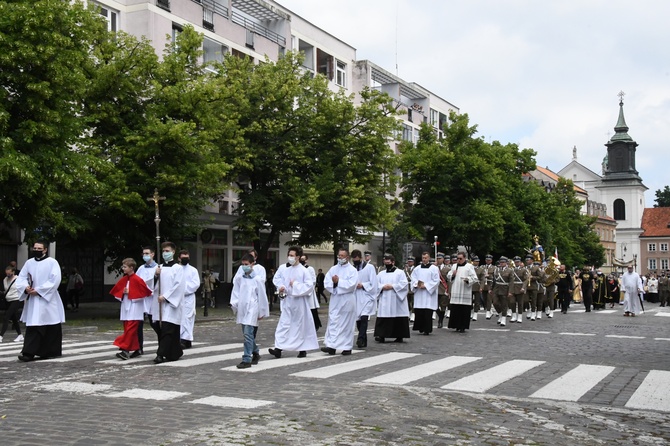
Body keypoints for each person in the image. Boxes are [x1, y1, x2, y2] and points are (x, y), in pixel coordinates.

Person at [15, 241, 66, 361]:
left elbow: (55, 279)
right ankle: (28, 352)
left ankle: (49, 351)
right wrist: (26, 288)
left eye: (39, 248)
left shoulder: (52, 262)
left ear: (45, 250)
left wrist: (39, 290)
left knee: (50, 324)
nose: (36, 250)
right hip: (33, 299)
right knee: (34, 325)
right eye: (35, 248)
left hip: (48, 299)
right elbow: (21, 278)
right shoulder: (29, 263)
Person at [269, 246, 318, 358]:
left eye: (292, 255)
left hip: (299, 303)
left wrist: (295, 285)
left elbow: (309, 286)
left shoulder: (304, 271)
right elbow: (278, 280)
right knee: (284, 324)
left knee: (299, 326)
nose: (290, 257)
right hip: (288, 301)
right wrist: (281, 287)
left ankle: (302, 349)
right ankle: (278, 348)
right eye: (289, 255)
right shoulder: (285, 269)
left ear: (298, 257)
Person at [230, 253, 269, 369]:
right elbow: (235, 292)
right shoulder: (239, 278)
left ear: (252, 264)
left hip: (253, 307)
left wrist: (261, 311)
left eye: (246, 264)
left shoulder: (257, 279)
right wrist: (234, 304)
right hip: (243, 307)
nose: (244, 266)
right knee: (247, 334)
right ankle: (255, 351)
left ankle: (246, 358)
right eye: (242, 264)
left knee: (248, 333)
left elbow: (262, 295)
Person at [110, 258, 152, 360]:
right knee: (128, 329)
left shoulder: (138, 279)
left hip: (135, 308)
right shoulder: (124, 279)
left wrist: (131, 293)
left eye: (125, 267)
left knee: (130, 330)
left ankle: (125, 349)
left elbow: (145, 293)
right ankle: (137, 348)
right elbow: (117, 292)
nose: (123, 268)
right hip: (126, 307)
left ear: (131, 268)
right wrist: (123, 293)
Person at [151, 241, 185, 364]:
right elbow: (152, 285)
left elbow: (178, 286)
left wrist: (165, 296)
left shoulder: (178, 268)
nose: (165, 253)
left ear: (173, 252)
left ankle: (160, 355)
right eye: (164, 251)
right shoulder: (159, 267)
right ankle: (174, 352)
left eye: (167, 251)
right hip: (159, 304)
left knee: (168, 329)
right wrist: (155, 275)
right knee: (161, 328)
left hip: (170, 304)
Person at [322, 248, 358, 355]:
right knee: (333, 321)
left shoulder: (352, 270)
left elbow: (352, 284)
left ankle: (346, 347)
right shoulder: (333, 269)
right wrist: (333, 284)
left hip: (347, 299)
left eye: (342, 256)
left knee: (346, 323)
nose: (340, 257)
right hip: (336, 298)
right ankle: (331, 345)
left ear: (347, 257)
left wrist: (339, 282)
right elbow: (327, 281)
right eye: (339, 255)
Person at [374, 254, 410, 343]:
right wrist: (382, 287)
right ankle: (381, 335)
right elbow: (376, 285)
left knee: (398, 316)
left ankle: (399, 335)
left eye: (388, 263)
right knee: (383, 316)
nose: (387, 265)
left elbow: (404, 284)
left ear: (393, 262)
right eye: (385, 263)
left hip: (396, 299)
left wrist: (393, 286)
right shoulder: (381, 274)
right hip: (385, 298)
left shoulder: (400, 272)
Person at [351, 249, 378, 348]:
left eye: (357, 259)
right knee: (358, 319)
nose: (355, 262)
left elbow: (373, 283)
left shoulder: (369, 268)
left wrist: (363, 285)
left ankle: (360, 338)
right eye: (354, 260)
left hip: (367, 295)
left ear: (361, 258)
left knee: (364, 317)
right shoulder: (353, 269)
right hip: (356, 296)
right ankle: (363, 340)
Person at [447, 252, 479, 332]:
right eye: (457, 258)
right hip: (456, 290)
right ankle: (456, 325)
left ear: (465, 258)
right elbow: (448, 276)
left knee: (464, 310)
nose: (458, 260)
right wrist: (453, 275)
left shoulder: (469, 266)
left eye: (460, 258)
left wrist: (468, 279)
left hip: (465, 290)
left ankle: (463, 326)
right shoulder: (454, 266)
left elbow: (474, 278)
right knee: (455, 309)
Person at [136, 246, 158, 356]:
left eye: (147, 253)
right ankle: (139, 348)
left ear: (152, 254)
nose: (145, 255)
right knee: (138, 324)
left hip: (152, 298)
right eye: (143, 254)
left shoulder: (157, 268)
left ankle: (162, 345)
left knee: (154, 323)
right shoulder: (141, 268)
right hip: (142, 299)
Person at [410, 252, 439, 335]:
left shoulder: (434, 268)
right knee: (419, 311)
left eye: (426, 258)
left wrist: (426, 285)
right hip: (419, 293)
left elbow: (436, 281)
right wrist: (417, 284)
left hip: (428, 293)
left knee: (427, 312)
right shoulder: (417, 268)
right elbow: (413, 278)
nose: (424, 259)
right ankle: (420, 327)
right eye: (423, 258)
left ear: (429, 258)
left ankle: (427, 329)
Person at [179, 250, 200, 349]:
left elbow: (195, 284)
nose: (185, 260)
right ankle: (182, 338)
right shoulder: (176, 269)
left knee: (188, 318)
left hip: (188, 297)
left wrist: (184, 289)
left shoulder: (193, 270)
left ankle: (186, 339)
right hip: (177, 298)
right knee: (179, 318)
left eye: (187, 258)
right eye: (183, 258)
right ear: (179, 258)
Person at [1, 266, 23, 343]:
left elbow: (22, 288)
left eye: (9, 273)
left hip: (15, 300)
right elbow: (6, 290)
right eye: (7, 273)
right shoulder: (5, 280)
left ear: (13, 272)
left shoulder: (18, 279)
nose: (8, 275)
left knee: (6, 316)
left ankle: (1, 336)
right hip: (8, 300)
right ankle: (20, 335)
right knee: (13, 318)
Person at [300, 254, 322, 331]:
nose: (301, 260)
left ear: (306, 260)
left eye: (303, 259)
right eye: (300, 258)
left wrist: (306, 287)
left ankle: (315, 324)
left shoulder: (310, 269)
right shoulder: (297, 268)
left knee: (311, 309)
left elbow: (313, 280)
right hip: (299, 292)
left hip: (308, 292)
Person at [489, 256, 513, 326]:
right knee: (495, 303)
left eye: (503, 262)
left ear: (506, 263)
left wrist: (510, 291)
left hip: (505, 288)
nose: (501, 263)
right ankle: (500, 314)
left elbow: (511, 282)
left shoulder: (510, 270)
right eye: (501, 262)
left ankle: (503, 318)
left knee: (504, 304)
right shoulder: (496, 270)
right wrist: (490, 288)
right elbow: (494, 280)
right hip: (496, 288)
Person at [509, 256, 528, 323]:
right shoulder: (511, 270)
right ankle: (514, 316)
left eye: (518, 262)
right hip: (512, 288)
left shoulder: (524, 270)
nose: (516, 263)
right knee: (512, 302)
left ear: (520, 262)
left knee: (520, 303)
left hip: (520, 287)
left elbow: (526, 280)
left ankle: (519, 316)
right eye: (515, 262)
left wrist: (523, 287)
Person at [435, 253, 450, 328]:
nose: (438, 260)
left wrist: (449, 290)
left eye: (440, 258)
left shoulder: (447, 269)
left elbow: (449, 280)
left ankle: (440, 320)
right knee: (435, 307)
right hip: (435, 289)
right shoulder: (434, 268)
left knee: (443, 306)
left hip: (444, 289)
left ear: (443, 259)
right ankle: (440, 317)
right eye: (437, 258)